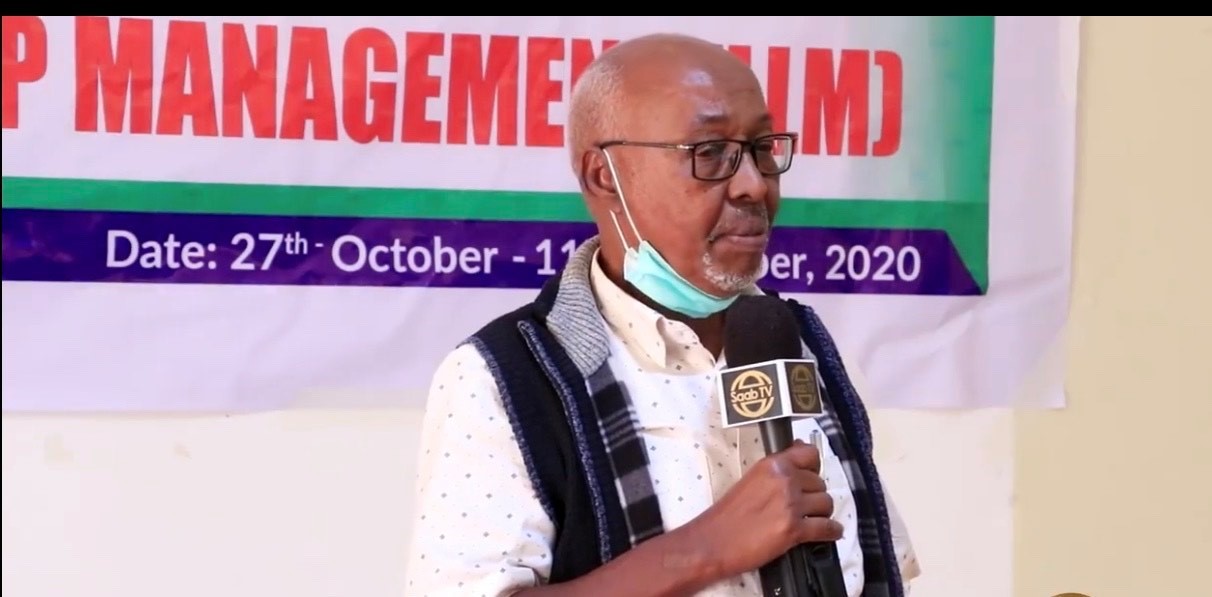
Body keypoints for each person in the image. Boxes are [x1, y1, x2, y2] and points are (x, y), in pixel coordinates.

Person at [404, 33, 921, 597]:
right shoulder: (503, 380)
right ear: (606, 176)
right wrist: (707, 549)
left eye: (762, 148)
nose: (754, 185)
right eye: (710, 154)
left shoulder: (796, 343)